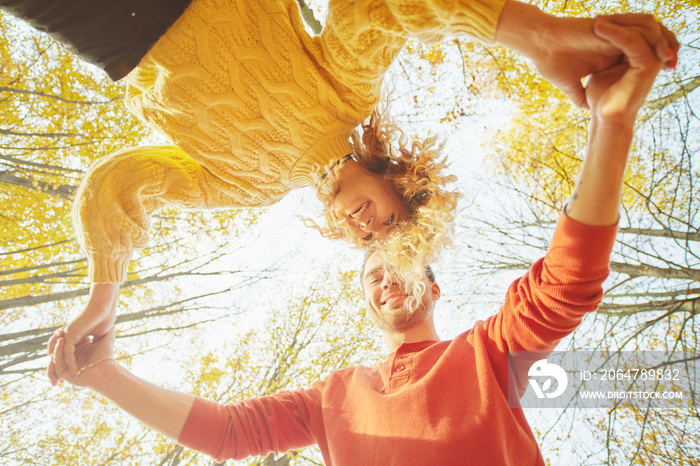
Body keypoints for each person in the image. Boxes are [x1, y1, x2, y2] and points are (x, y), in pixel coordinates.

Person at [52, 22, 666, 463]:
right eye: (372, 271)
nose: (381, 269)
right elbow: (232, 432)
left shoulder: (487, 357)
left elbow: (565, 283)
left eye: (393, 256)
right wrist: (104, 365)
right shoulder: (336, 398)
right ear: (367, 302)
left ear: (433, 286)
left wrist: (610, 126)